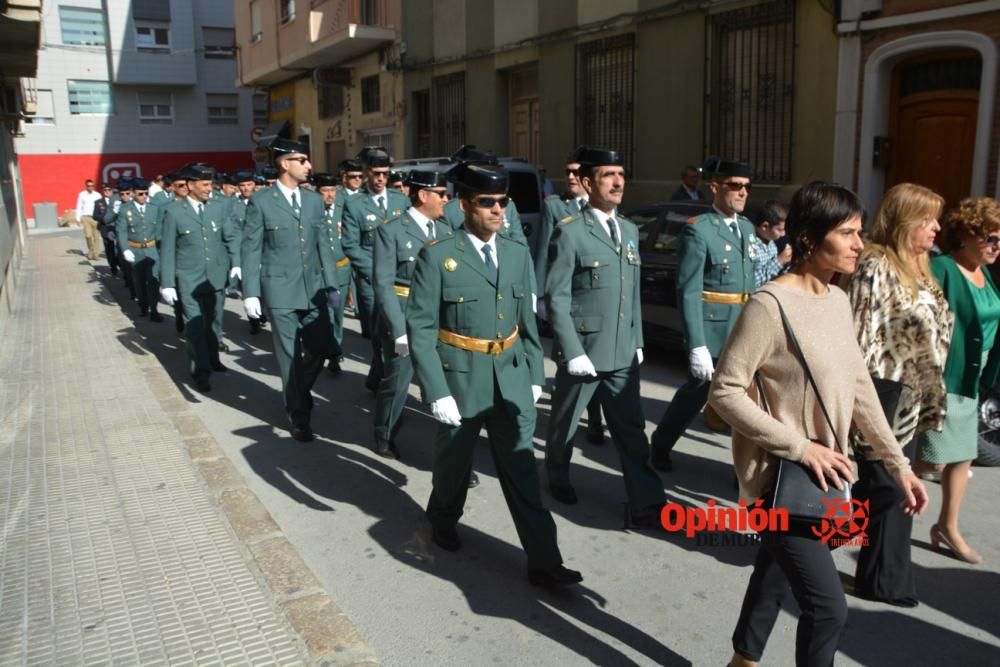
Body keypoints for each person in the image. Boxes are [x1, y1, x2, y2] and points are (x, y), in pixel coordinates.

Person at [709, 181, 928, 667]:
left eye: (860, 232)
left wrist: (899, 465)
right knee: (828, 609)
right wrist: (800, 447)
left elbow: (860, 389)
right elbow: (724, 391)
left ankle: (741, 661)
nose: (858, 244)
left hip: (824, 476)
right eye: (847, 233)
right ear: (811, 238)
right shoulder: (769, 306)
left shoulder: (837, 300)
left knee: (774, 573)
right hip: (783, 478)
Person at [406, 163, 582, 588]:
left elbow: (525, 321)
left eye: (503, 202)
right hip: (461, 380)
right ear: (464, 204)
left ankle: (545, 561)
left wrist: (536, 372)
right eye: (488, 202)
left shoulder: (517, 252)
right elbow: (422, 328)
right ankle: (443, 518)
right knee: (453, 467)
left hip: (511, 378)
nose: (498, 210)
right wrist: (436, 391)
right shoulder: (439, 255)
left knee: (522, 472)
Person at [542, 146, 665, 524]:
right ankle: (557, 475)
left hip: (622, 351)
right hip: (585, 349)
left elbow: (632, 293)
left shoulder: (628, 230)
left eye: (621, 175)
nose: (617, 182)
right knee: (565, 422)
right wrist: (571, 349)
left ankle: (647, 499)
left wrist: (638, 340)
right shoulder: (571, 233)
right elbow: (556, 297)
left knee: (631, 427)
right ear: (586, 182)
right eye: (608, 175)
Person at [842, 182, 951, 605]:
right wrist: (855, 401)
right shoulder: (875, 266)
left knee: (893, 486)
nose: (936, 228)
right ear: (904, 221)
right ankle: (886, 581)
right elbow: (855, 334)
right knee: (887, 486)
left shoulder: (922, 265)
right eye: (927, 220)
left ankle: (881, 577)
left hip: (913, 395)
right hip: (880, 393)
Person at [650, 158, 757, 472]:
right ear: (715, 187)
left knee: (745, 401)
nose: (742, 193)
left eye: (746, 187)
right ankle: (661, 442)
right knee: (696, 393)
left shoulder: (748, 228)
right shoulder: (699, 231)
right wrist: (696, 344)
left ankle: (744, 471)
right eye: (735, 185)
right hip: (712, 329)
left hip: (744, 327)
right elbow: (689, 290)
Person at [918, 196, 1000, 564]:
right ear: (967, 234)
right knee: (929, 461)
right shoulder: (942, 268)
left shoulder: (984, 273)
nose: (997, 246)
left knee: (963, 456)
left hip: (972, 377)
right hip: (944, 377)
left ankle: (947, 526)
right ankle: (870, 516)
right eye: (991, 238)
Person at [242, 140, 339, 442]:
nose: (309, 166)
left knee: (323, 347)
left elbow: (324, 243)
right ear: (285, 164)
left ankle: (299, 391)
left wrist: (332, 283)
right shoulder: (262, 201)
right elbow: (251, 249)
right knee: (289, 356)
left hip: (313, 289)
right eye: (302, 160)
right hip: (280, 289)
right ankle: (298, 415)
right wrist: (250, 292)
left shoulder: (312, 201)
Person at [371, 170, 455, 459]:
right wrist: (398, 330)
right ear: (423, 195)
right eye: (441, 193)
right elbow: (383, 283)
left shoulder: (445, 230)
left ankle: (451, 449)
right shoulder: (391, 230)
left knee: (445, 381)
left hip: (438, 317)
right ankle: (385, 432)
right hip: (404, 314)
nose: (447, 199)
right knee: (397, 381)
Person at [536, 146, 605, 444]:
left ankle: (595, 418)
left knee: (597, 358)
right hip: (565, 294)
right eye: (567, 172)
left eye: (577, 172)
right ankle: (566, 416)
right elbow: (544, 252)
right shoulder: (555, 207)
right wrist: (540, 295)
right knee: (569, 357)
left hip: (594, 295)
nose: (571, 177)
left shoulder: (603, 206)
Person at [159, 163, 242, 393]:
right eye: (204, 184)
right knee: (195, 326)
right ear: (190, 185)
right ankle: (200, 372)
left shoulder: (219, 207)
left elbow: (231, 236)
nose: (209, 188)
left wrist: (236, 263)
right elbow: (167, 250)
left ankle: (214, 359)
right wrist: (167, 282)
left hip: (215, 275)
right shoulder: (174, 212)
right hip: (189, 278)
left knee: (214, 322)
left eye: (210, 184)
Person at [341, 147, 409, 391]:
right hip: (372, 281)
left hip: (400, 281)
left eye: (385, 173)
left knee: (392, 333)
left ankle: (378, 379)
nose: (381, 179)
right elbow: (350, 244)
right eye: (376, 173)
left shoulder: (401, 201)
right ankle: (384, 382)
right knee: (379, 334)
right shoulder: (355, 205)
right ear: (366, 173)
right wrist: (375, 273)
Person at [313, 172, 350, 372]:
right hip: (318, 272)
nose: (330, 195)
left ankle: (335, 349)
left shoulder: (344, 211)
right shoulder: (310, 211)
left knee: (337, 314)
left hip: (340, 269)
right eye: (325, 191)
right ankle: (325, 350)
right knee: (322, 314)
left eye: (333, 190)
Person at [116, 178, 165, 322]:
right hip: (135, 250)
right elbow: (122, 231)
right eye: (140, 194)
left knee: (154, 280)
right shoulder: (126, 209)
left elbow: (159, 229)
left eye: (145, 193)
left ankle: (154, 310)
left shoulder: (154, 207)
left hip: (151, 249)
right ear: (133, 194)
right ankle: (143, 306)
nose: (143, 197)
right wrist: (125, 249)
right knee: (139, 281)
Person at [750, 200, 790, 289]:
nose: (783, 234)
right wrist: (779, 261)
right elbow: (752, 281)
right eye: (779, 230)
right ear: (765, 226)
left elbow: (774, 277)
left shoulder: (771, 243)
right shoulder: (751, 246)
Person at [92, 183, 120, 277]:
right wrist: (104, 218)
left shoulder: (118, 200)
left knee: (119, 247)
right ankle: (113, 267)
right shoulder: (98, 202)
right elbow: (95, 215)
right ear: (103, 191)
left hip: (117, 226)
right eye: (105, 190)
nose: (107, 192)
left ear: (112, 190)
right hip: (105, 227)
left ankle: (120, 263)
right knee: (109, 249)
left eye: (109, 190)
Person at [76, 179, 104, 260]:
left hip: (95, 218)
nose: (90, 187)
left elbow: (101, 207)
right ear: (86, 186)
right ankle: (91, 250)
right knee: (88, 236)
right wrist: (78, 218)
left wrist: (102, 217)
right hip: (86, 218)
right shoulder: (82, 195)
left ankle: (96, 255)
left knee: (96, 237)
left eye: (92, 186)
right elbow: (79, 206)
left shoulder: (98, 195)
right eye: (89, 186)